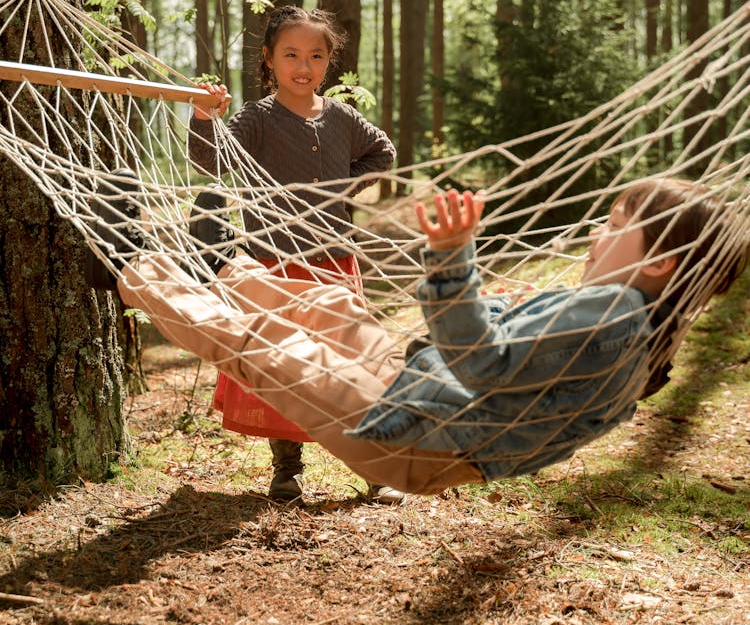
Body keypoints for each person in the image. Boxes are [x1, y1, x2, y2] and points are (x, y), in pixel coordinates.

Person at [112, 177, 749, 496]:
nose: (594, 235)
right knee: (329, 304)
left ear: (659, 263)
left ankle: (132, 263)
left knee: (270, 350)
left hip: (419, 434)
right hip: (418, 386)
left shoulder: (613, 316)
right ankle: (219, 264)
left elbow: (483, 366)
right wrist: (503, 310)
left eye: (615, 226)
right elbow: (517, 373)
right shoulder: (632, 325)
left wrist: (451, 258)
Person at [188, 4, 400, 503]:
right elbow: (210, 158)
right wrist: (202, 116)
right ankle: (287, 470)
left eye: (316, 56)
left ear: (329, 63)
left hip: (335, 263)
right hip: (273, 269)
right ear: (269, 59)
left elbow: (383, 151)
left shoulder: (343, 117)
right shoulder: (257, 119)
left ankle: (373, 466)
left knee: (349, 367)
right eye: (291, 54)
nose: (303, 66)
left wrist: (345, 185)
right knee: (281, 366)